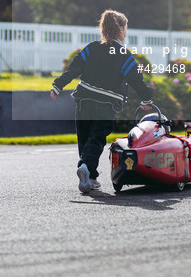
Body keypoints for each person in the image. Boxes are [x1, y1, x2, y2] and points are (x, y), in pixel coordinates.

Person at [49, 10, 153, 193]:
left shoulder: (91, 48)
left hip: (84, 99)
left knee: (85, 137)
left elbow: (73, 69)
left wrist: (58, 85)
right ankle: (85, 167)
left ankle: (90, 177)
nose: (126, 30)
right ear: (120, 28)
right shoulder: (124, 55)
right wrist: (146, 98)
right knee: (96, 138)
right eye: (126, 27)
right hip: (106, 104)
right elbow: (136, 80)